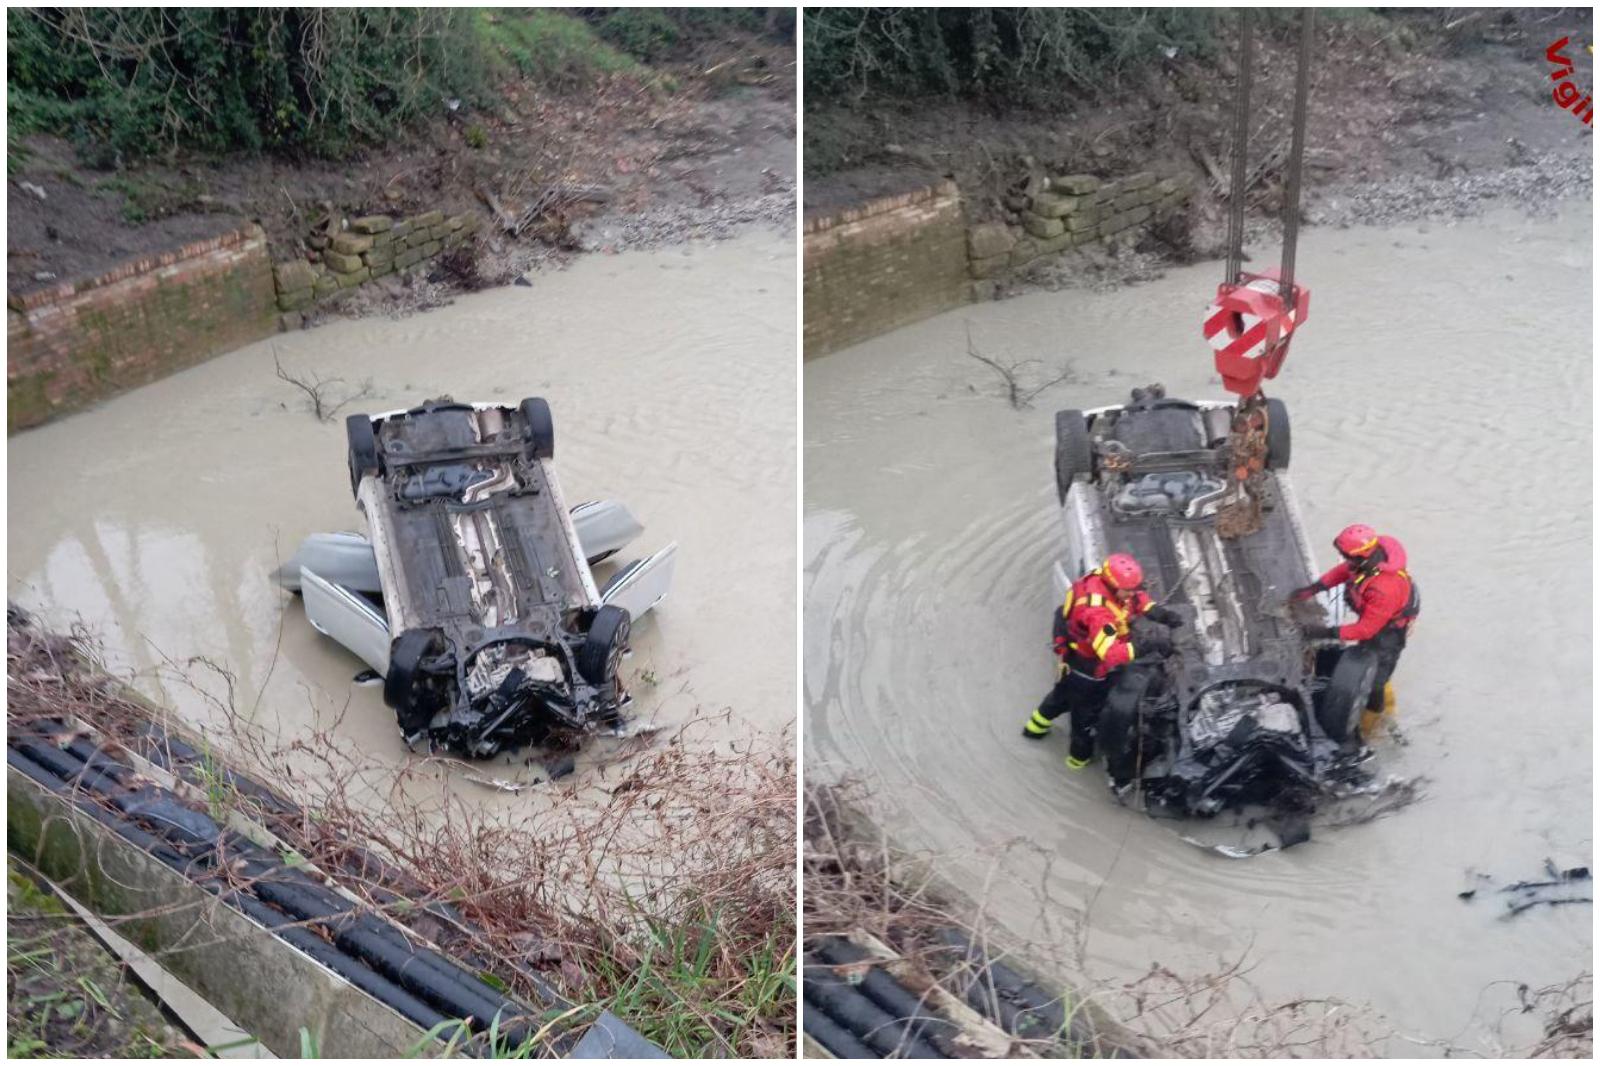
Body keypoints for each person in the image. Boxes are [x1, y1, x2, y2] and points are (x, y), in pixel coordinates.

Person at [1022, 553, 1184, 769]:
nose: (1132, 594)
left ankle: (1033, 729)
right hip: (1087, 670)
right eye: (1128, 590)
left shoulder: (1103, 582)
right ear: (1113, 584)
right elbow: (1112, 654)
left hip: (1072, 662)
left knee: (1060, 697)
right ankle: (1077, 762)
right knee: (1084, 721)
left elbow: (1135, 598)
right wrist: (1146, 646)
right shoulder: (1097, 614)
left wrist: (1157, 613)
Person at [1290, 523, 1420, 738]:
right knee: (1376, 667)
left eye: (1348, 556)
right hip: (1378, 620)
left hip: (1389, 632)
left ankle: (1372, 729)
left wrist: (1326, 632)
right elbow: (1344, 572)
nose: (1345, 560)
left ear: (1362, 557)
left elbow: (1365, 630)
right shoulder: (1366, 563)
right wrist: (1315, 588)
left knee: (1376, 682)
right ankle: (1386, 708)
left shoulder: (1383, 589)